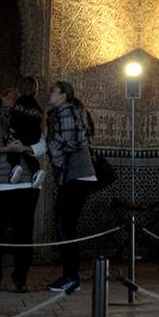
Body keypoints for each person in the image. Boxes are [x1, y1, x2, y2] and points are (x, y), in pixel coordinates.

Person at [0, 87, 47, 293]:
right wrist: (6, 149)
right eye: (11, 96)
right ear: (2, 99)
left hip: (25, 186)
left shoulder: (30, 123)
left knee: (23, 234)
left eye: (19, 98)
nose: (16, 100)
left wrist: (24, 149)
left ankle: (21, 278)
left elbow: (41, 145)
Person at [46, 79, 96, 292]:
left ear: (63, 95)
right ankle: (70, 275)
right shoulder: (73, 112)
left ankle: (71, 277)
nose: (50, 94)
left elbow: (64, 142)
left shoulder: (66, 113)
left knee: (65, 227)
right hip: (77, 175)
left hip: (76, 175)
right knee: (66, 226)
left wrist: (56, 160)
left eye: (53, 91)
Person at [6, 75, 44, 188]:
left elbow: (16, 117)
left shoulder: (21, 101)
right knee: (27, 153)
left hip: (22, 132)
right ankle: (36, 171)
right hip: (34, 135)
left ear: (20, 88)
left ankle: (15, 167)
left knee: (13, 148)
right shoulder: (36, 104)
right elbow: (39, 119)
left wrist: (11, 130)